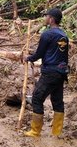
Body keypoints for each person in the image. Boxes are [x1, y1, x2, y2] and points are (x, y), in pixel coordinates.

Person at [22, 8, 69, 138]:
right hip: (61, 72)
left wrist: (28, 58)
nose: (45, 18)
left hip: (50, 72)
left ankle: (35, 131)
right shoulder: (64, 35)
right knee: (57, 100)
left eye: (46, 16)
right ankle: (56, 132)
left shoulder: (47, 34)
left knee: (37, 98)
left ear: (51, 19)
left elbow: (39, 54)